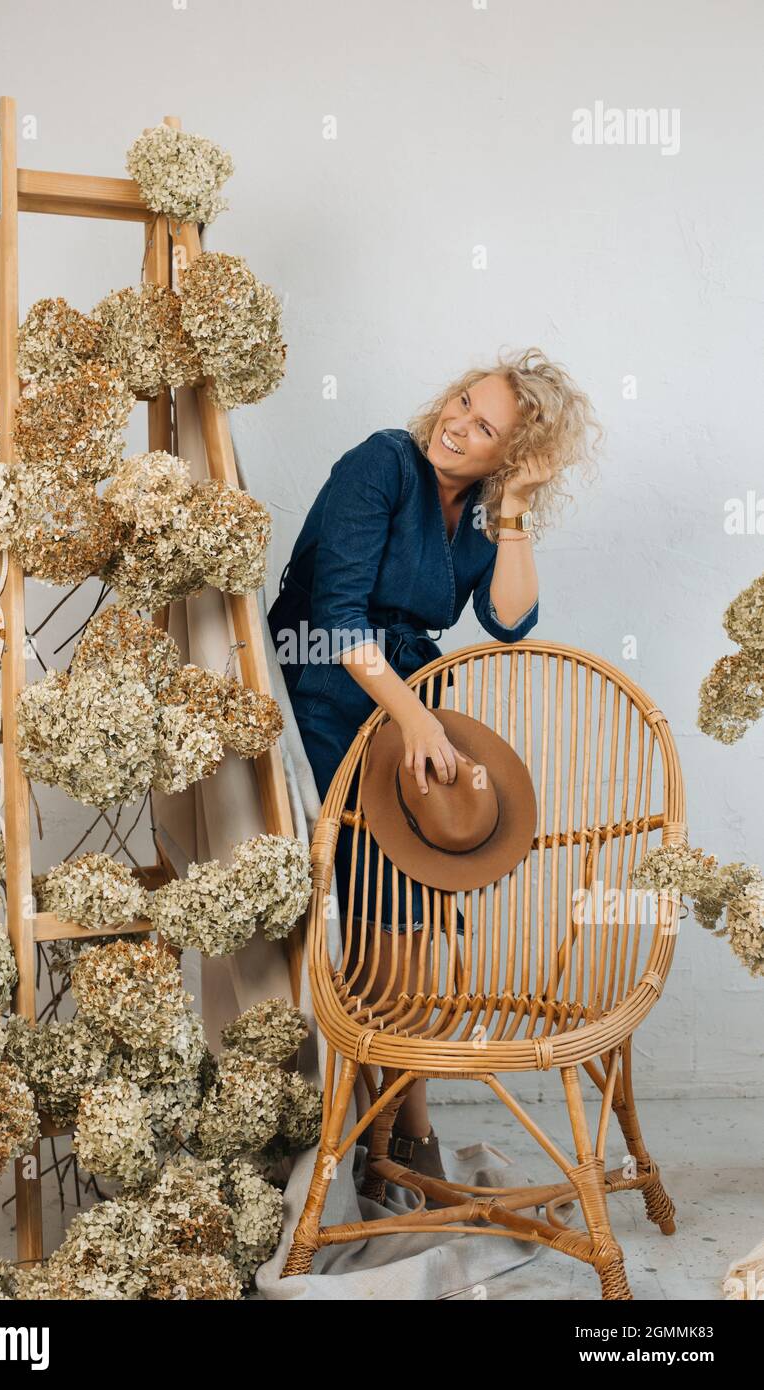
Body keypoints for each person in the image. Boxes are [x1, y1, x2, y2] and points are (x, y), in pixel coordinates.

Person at [266, 346, 600, 1179]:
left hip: (404, 708)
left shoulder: (483, 512)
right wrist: (416, 721)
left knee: (408, 927)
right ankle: (397, 1135)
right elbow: (335, 618)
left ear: (510, 456)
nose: (456, 423)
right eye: (462, 401)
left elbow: (510, 620)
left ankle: (398, 1128)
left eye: (485, 427)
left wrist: (514, 506)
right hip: (327, 691)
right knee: (376, 908)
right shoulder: (383, 462)